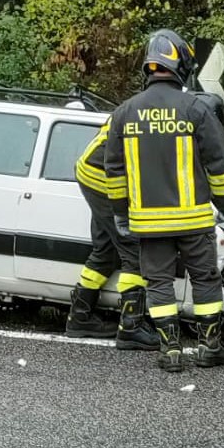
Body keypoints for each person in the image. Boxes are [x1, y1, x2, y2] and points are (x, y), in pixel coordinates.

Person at [104, 29, 224, 372]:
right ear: (180, 63)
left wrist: (121, 213)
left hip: (149, 223)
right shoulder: (195, 109)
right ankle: (210, 346)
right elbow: (219, 163)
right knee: (205, 279)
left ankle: (171, 350)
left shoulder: (124, 113)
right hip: (194, 221)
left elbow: (114, 172)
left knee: (159, 283)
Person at [65, 117, 158, 350]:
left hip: (91, 170)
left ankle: (80, 317)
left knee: (106, 249)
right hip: (104, 176)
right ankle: (131, 327)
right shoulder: (164, 121)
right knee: (134, 249)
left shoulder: (143, 109)